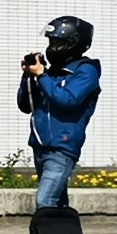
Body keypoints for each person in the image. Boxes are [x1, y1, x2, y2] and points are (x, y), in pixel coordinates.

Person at [16, 16, 102, 211]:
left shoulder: (86, 71)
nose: (51, 48)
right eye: (50, 42)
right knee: (59, 205)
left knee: (45, 202)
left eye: (57, 43)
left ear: (72, 44)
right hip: (40, 146)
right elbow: (25, 105)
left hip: (62, 148)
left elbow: (67, 100)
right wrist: (28, 75)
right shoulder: (50, 73)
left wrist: (42, 76)